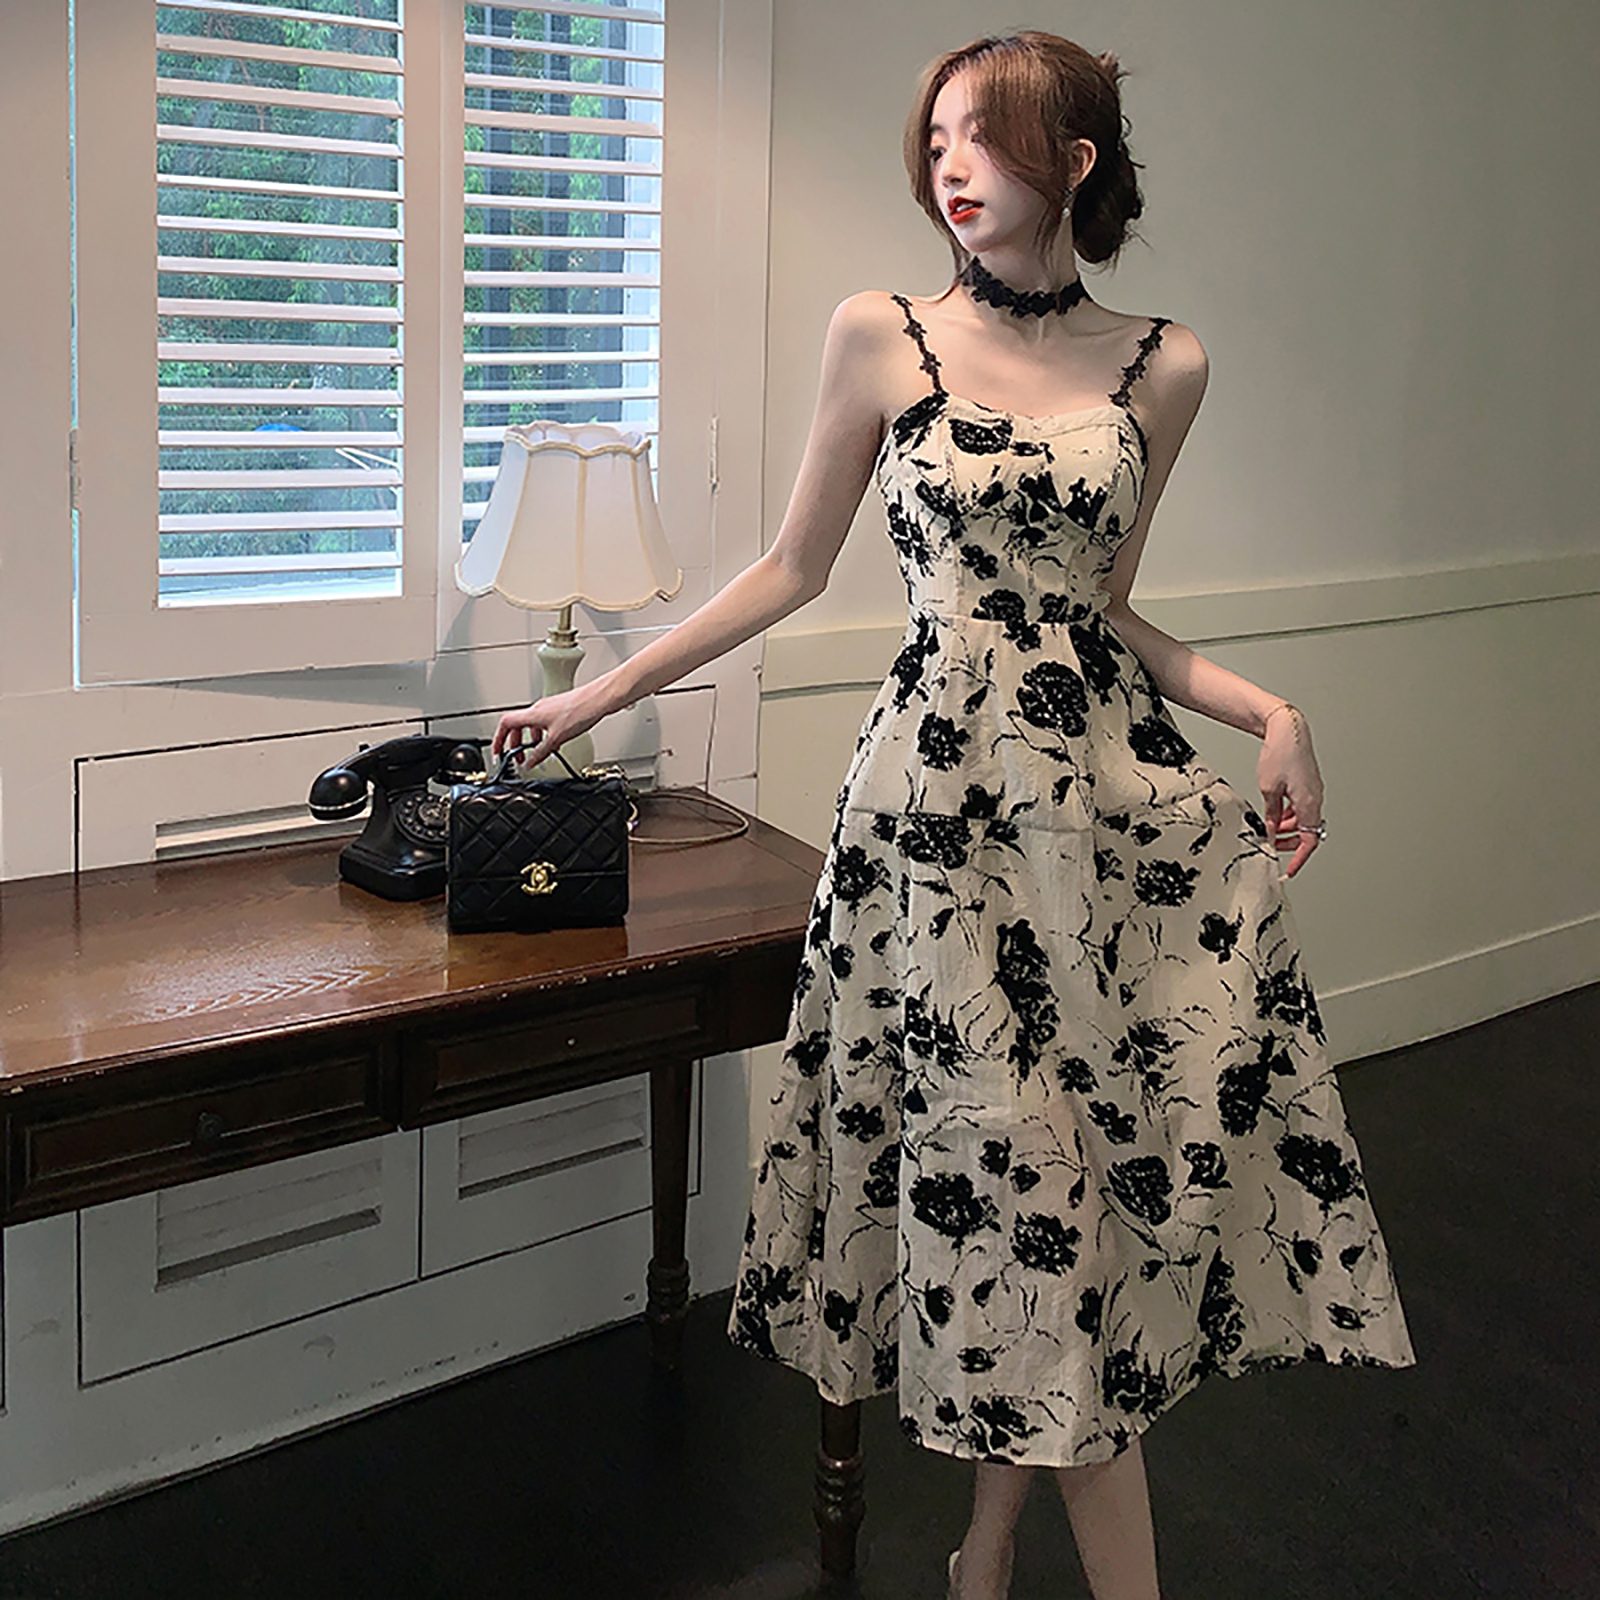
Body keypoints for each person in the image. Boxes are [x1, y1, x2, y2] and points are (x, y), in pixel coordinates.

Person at [495, 31, 1416, 1600]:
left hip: (1103, 830)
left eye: (983, 138)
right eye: (934, 143)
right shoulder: (884, 334)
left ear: (1075, 160)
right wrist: (600, 695)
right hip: (939, 829)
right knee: (1028, 1195)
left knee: (1073, 1205)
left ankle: (981, 1553)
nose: (951, 168)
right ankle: (1003, 1558)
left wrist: (1273, 712)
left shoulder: (1165, 364)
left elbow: (1107, 611)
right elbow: (789, 569)